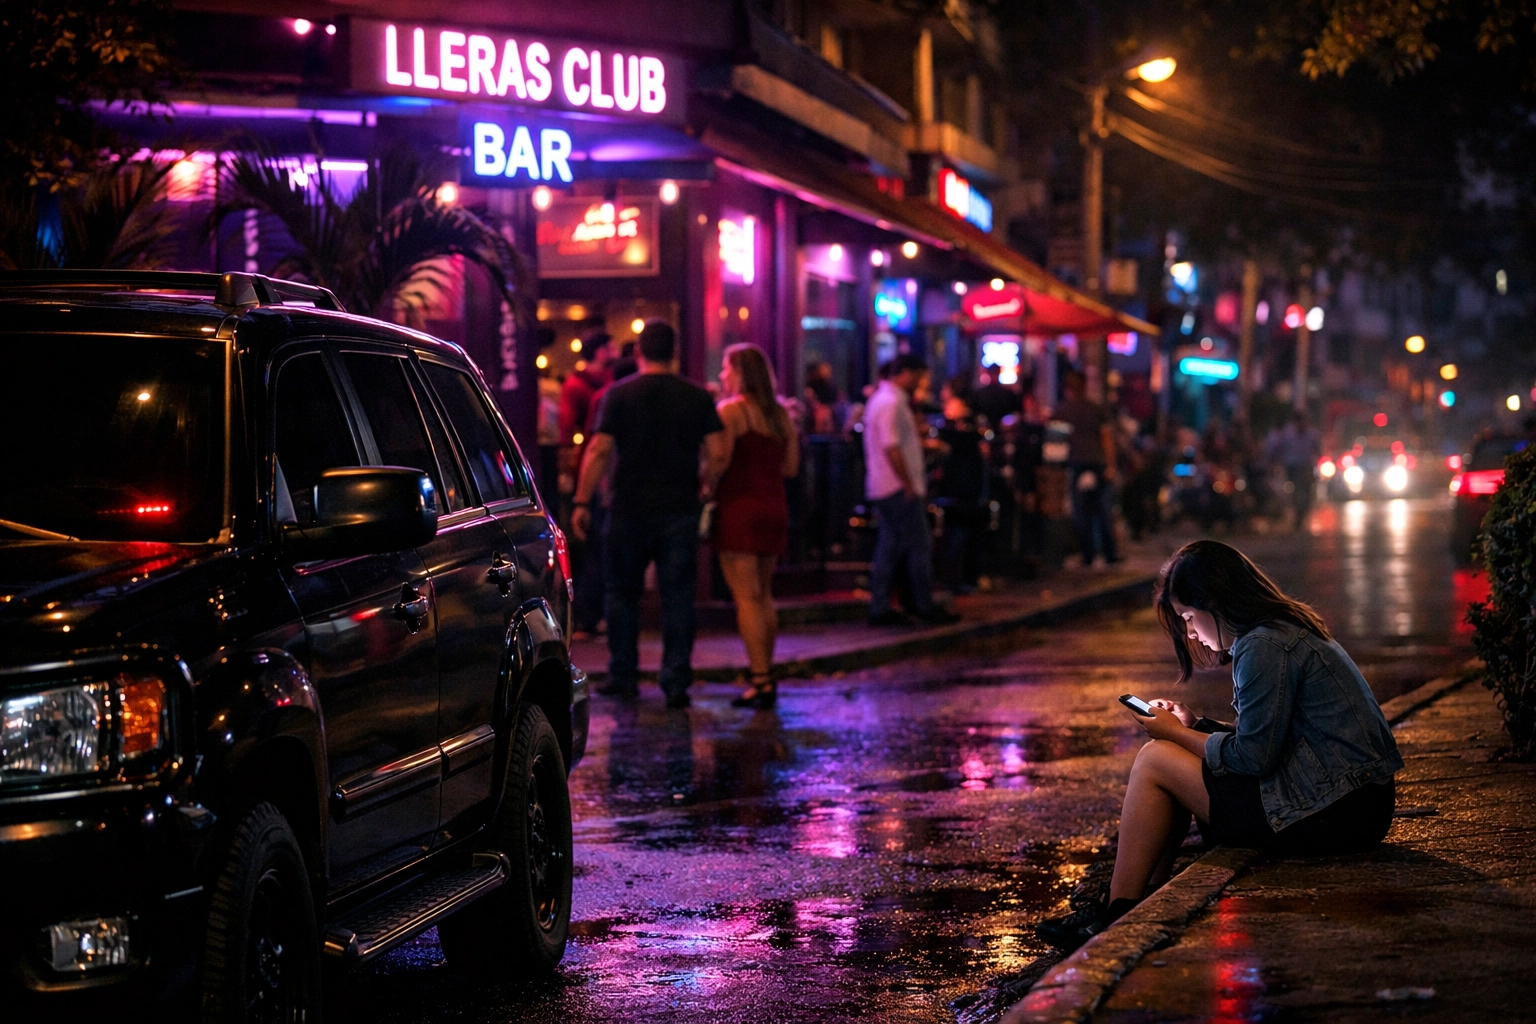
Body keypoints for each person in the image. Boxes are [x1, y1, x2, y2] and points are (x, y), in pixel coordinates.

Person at [1036, 540, 1402, 951]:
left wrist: (1175, 734)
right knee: (1168, 756)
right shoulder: (1279, 630)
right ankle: (1132, 902)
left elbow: (1254, 757)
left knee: (1156, 758)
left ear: (1214, 601)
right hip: (1352, 801)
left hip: (1334, 812)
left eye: (1190, 617)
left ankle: (1115, 910)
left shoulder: (1261, 645)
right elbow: (1268, 736)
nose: (1191, 632)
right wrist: (1194, 725)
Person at [571, 323, 728, 708]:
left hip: (629, 507)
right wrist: (707, 484)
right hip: (679, 508)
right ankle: (675, 680)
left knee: (622, 594)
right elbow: (719, 450)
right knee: (678, 597)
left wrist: (580, 501)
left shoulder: (618, 395)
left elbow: (600, 450)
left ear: (639, 352)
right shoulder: (696, 396)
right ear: (674, 353)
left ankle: (623, 675)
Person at [713, 343, 800, 709]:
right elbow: (791, 467)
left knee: (745, 597)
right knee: (764, 595)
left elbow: (720, 458)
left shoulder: (731, 411)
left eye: (726, 368)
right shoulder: (782, 415)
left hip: (740, 506)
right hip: (773, 505)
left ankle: (760, 677)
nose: (722, 375)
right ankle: (768, 673)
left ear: (740, 373)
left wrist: (706, 486)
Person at [863, 354, 958, 627]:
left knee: (890, 546)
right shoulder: (891, 403)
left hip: (888, 485)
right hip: (895, 487)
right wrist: (907, 483)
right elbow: (891, 447)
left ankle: (883, 605)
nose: (920, 382)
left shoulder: (888, 401)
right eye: (918, 375)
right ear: (905, 373)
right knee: (918, 545)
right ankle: (921, 604)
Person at [568, 352, 639, 638]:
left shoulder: (606, 397)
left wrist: (582, 495)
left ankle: (592, 620)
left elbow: (594, 446)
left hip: (608, 489)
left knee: (599, 556)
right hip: (633, 491)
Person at [1055, 369, 1119, 567]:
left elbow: (1057, 443)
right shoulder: (1096, 409)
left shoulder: (1062, 410)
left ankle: (1088, 554)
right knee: (1102, 511)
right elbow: (1106, 438)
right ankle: (1110, 554)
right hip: (1098, 464)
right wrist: (1110, 465)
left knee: (1081, 513)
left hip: (1076, 465)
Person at [932, 377, 989, 593]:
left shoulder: (953, 429)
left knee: (958, 531)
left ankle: (955, 579)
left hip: (958, 485)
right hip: (967, 485)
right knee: (963, 531)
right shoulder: (973, 428)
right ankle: (962, 578)